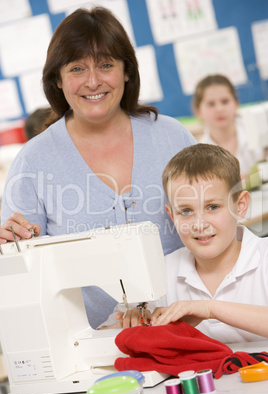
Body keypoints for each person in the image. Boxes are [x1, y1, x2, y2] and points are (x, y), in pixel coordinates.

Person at [0, 7, 196, 329]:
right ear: (57, 80)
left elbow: (214, 223)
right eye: (77, 68)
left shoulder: (172, 136)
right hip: (89, 347)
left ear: (127, 71)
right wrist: (13, 249)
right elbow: (26, 273)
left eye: (106, 65)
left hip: (188, 325)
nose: (93, 82)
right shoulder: (33, 162)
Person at [112, 144, 268, 343]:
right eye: (185, 211)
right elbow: (107, 333)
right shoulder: (160, 273)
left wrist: (211, 308)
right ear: (171, 215)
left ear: (241, 206)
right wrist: (129, 323)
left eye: (212, 207)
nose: (199, 224)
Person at [192, 74, 262, 180]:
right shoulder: (200, 154)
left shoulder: (259, 131)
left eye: (225, 101)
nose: (219, 109)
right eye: (211, 104)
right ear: (198, 111)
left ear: (236, 104)